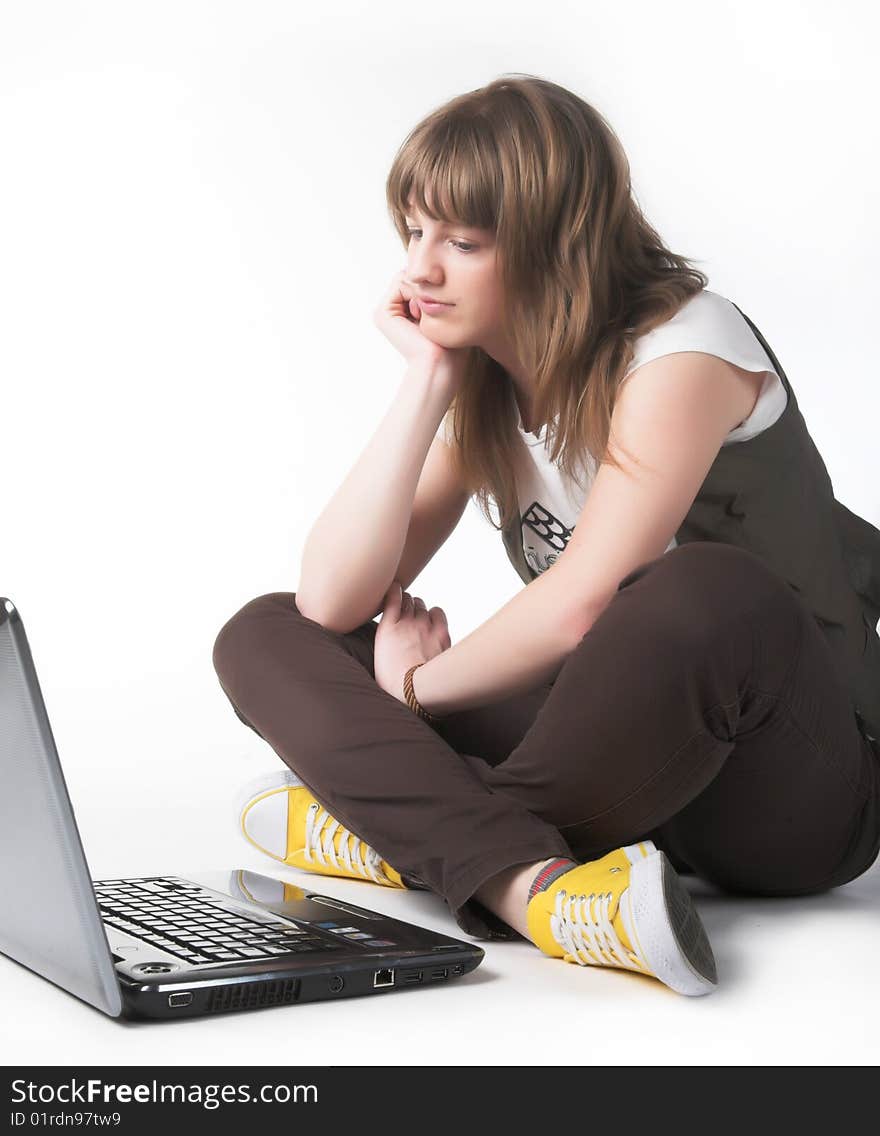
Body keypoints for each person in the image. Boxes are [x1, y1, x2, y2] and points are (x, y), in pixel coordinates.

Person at [212, 74, 880, 998]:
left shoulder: (686, 349)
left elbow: (578, 607)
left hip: (792, 786)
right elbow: (331, 601)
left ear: (556, 245)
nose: (419, 270)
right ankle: (543, 891)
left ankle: (401, 834)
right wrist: (428, 382)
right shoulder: (488, 378)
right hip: (620, 770)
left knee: (709, 590)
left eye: (462, 241)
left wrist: (410, 692)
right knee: (264, 630)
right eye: (414, 231)